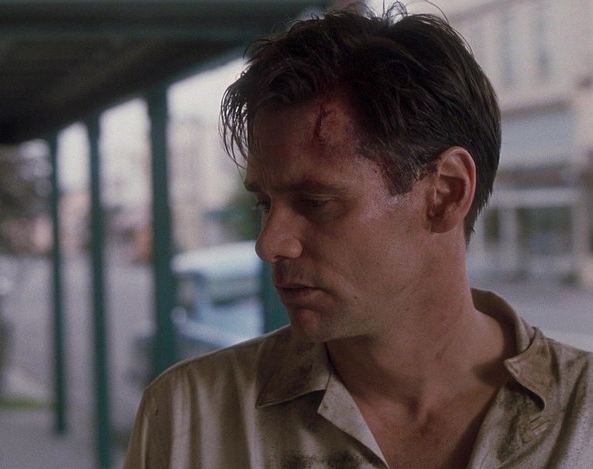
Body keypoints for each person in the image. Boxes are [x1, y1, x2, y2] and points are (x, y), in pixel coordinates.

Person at [123, 3, 593, 468]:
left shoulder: (582, 419)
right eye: (265, 203)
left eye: (316, 202)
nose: (269, 244)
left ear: (445, 194)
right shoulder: (189, 419)